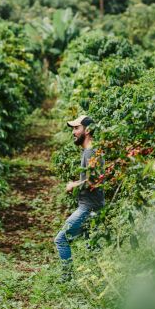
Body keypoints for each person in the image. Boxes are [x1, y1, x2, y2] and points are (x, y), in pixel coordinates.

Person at [54, 115, 105, 281]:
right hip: (92, 206)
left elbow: (95, 180)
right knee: (92, 245)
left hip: (88, 207)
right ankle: (99, 279)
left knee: (61, 239)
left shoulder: (90, 152)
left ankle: (67, 277)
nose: (74, 132)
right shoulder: (89, 151)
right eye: (73, 129)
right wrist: (77, 182)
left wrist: (73, 185)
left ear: (87, 130)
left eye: (77, 128)